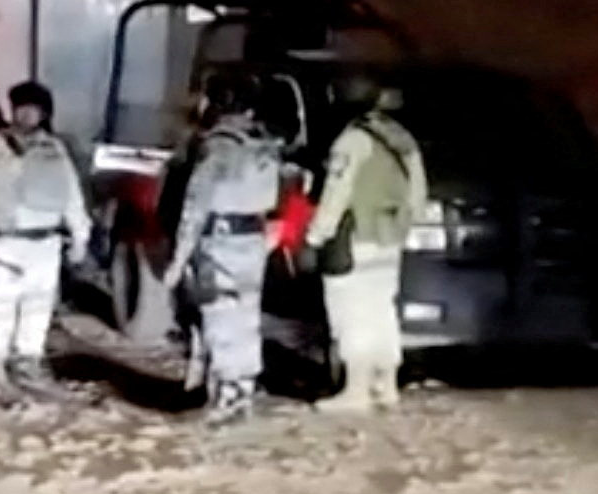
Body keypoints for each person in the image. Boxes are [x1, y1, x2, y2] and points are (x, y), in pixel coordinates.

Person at [163, 72, 285, 424]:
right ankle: (243, 390)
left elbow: (195, 207)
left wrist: (179, 258)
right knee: (246, 318)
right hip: (253, 240)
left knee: (219, 317)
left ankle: (225, 397)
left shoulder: (218, 146)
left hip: (220, 242)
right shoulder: (263, 143)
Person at [305, 75, 427, 414]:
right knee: (382, 311)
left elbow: (337, 193)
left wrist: (317, 234)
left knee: (352, 312)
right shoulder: (400, 136)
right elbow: (418, 194)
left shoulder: (352, 140)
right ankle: (385, 385)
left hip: (358, 236)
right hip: (390, 237)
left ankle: (356, 390)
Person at [0, 81, 91, 407]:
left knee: (38, 309)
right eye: (21, 107)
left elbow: (71, 195)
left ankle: (29, 363)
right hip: (9, 242)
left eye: (33, 107)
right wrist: (2, 215)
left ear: (44, 112)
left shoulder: (54, 149)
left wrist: (80, 235)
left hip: (46, 241)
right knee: (2, 308)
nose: (26, 113)